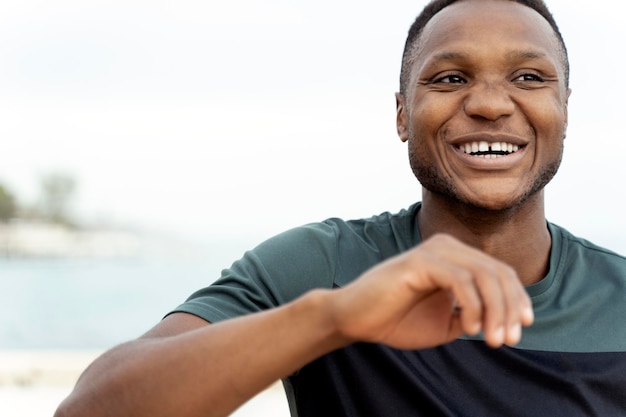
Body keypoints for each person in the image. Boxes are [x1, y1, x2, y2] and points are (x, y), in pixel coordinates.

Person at [55, 0, 626, 416]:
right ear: (402, 114)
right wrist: (333, 318)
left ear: (565, 110)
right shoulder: (321, 265)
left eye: (529, 77)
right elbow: (89, 409)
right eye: (450, 78)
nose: (490, 103)